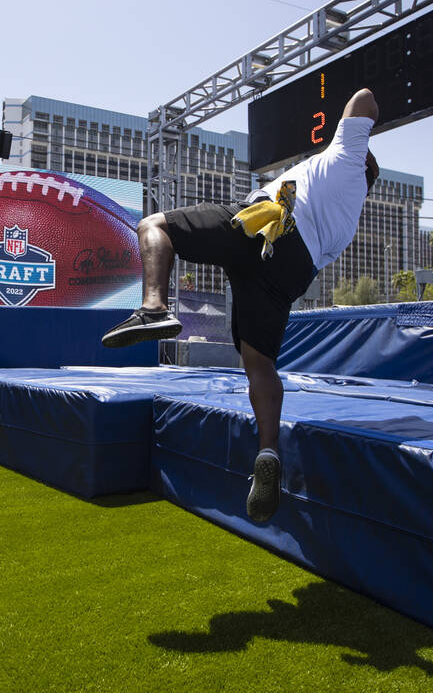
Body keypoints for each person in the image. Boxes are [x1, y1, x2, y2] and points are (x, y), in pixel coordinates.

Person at [101, 88, 380, 523]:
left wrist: (355, 130)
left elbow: (363, 99)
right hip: (292, 271)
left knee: (154, 225)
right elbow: (309, 262)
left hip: (267, 226)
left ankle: (154, 306)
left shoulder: (347, 156)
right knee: (258, 363)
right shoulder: (350, 217)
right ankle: (268, 451)